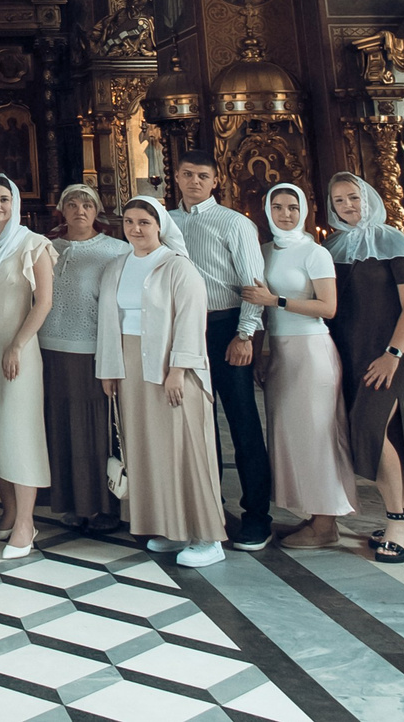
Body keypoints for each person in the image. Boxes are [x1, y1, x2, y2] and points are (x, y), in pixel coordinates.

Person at [96, 196, 227, 567]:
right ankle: (171, 528)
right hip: (130, 367)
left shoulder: (178, 268)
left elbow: (190, 322)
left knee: (186, 450)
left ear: (160, 227)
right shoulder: (117, 266)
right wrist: (109, 368)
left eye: (144, 222)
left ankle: (208, 537)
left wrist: (178, 370)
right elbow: (109, 321)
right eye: (129, 222)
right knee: (147, 450)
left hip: (171, 369)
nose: (136, 229)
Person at [168, 150, 273, 551]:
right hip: (184, 329)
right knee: (197, 423)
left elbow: (252, 281)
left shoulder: (234, 223)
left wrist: (245, 334)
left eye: (203, 176)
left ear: (215, 181)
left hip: (227, 324)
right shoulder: (168, 223)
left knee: (243, 420)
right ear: (176, 176)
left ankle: (257, 516)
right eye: (188, 174)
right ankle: (209, 509)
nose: (195, 181)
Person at [238, 184, 350, 551]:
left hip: (311, 351)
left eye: (292, 207)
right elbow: (258, 310)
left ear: (303, 210)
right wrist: (259, 351)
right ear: (267, 211)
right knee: (291, 437)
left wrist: (277, 299)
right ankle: (311, 513)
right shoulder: (264, 251)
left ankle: (326, 523)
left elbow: (328, 308)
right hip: (281, 353)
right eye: (278, 207)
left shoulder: (314, 253)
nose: (285, 214)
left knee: (318, 436)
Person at [325, 172, 404, 564]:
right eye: (339, 201)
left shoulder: (393, 240)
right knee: (392, 431)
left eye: (353, 198)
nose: (347, 206)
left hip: (386, 353)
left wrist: (392, 354)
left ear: (368, 198)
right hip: (350, 354)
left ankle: (396, 520)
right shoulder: (332, 245)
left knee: (368, 427)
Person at [0, 176, 55, 557]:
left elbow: (44, 302)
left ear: (15, 202)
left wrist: (17, 345)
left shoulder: (32, 245)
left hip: (16, 352)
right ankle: (7, 514)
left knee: (20, 433)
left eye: (5, 199)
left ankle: (26, 522)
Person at [39, 184, 129, 531]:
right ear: (62, 209)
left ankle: (103, 506)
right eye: (72, 204)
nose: (80, 210)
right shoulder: (47, 248)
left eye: (87, 204)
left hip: (91, 351)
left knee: (94, 429)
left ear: (97, 210)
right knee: (60, 425)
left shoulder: (115, 251)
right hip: (50, 350)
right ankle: (70, 502)